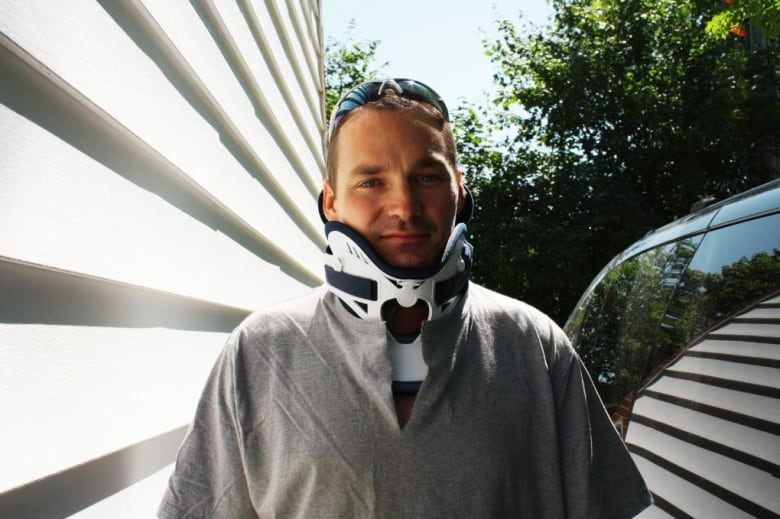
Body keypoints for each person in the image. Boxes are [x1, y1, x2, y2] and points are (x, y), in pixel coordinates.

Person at [158, 78, 652, 518]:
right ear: (331, 200)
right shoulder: (259, 351)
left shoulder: (535, 345)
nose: (404, 206)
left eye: (427, 177)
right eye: (372, 181)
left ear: (459, 190)